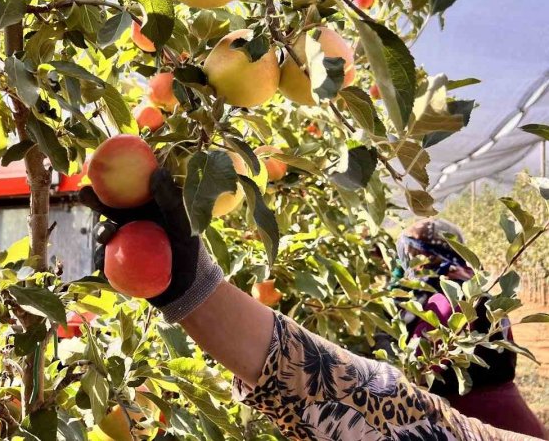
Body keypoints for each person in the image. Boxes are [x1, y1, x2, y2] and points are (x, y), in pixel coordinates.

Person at [80, 170, 547, 441]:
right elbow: (408, 418)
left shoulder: (441, 300)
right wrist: (197, 291)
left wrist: (198, 292)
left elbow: (404, 415)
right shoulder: (477, 288)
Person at [382, 219, 545, 438]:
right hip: (511, 421)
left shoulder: (445, 301)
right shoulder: (477, 289)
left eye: (410, 254)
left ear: (424, 257)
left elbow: (416, 375)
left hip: (479, 426)